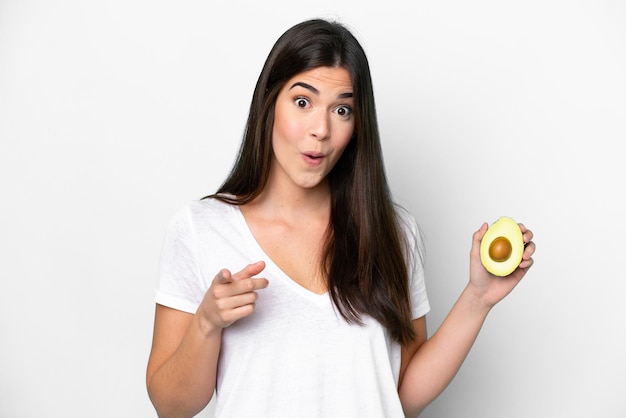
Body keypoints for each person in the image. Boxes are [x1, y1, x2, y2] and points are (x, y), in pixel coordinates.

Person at [146, 18, 535, 418]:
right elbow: (170, 406)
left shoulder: (394, 232)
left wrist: (478, 298)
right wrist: (207, 324)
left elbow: (401, 393)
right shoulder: (201, 229)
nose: (321, 129)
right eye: (302, 102)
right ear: (269, 103)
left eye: (342, 109)